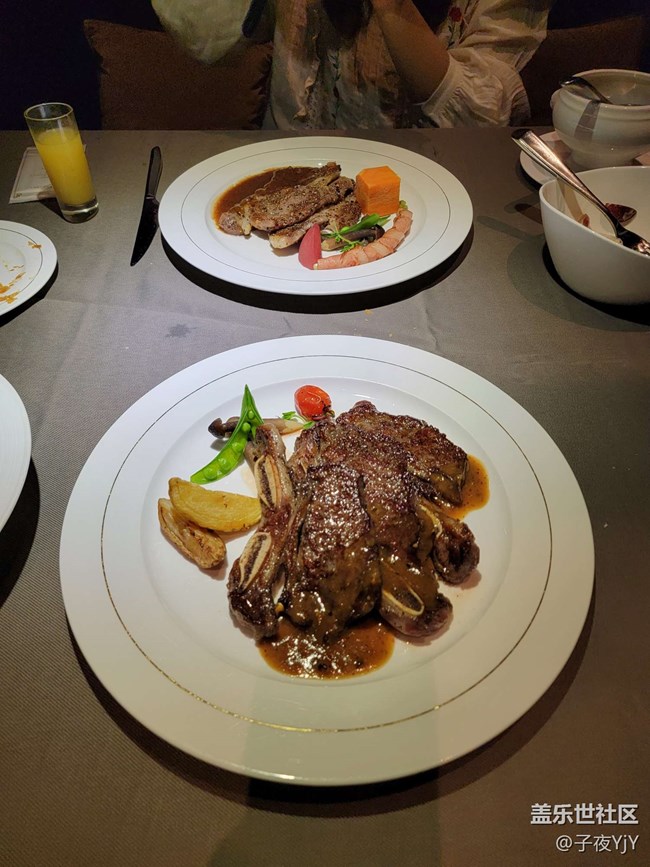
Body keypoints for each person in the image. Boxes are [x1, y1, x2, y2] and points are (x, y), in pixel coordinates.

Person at [152, 0, 551, 128]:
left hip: (428, 197)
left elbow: (482, 120)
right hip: (285, 172)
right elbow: (210, 38)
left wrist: (392, 7)